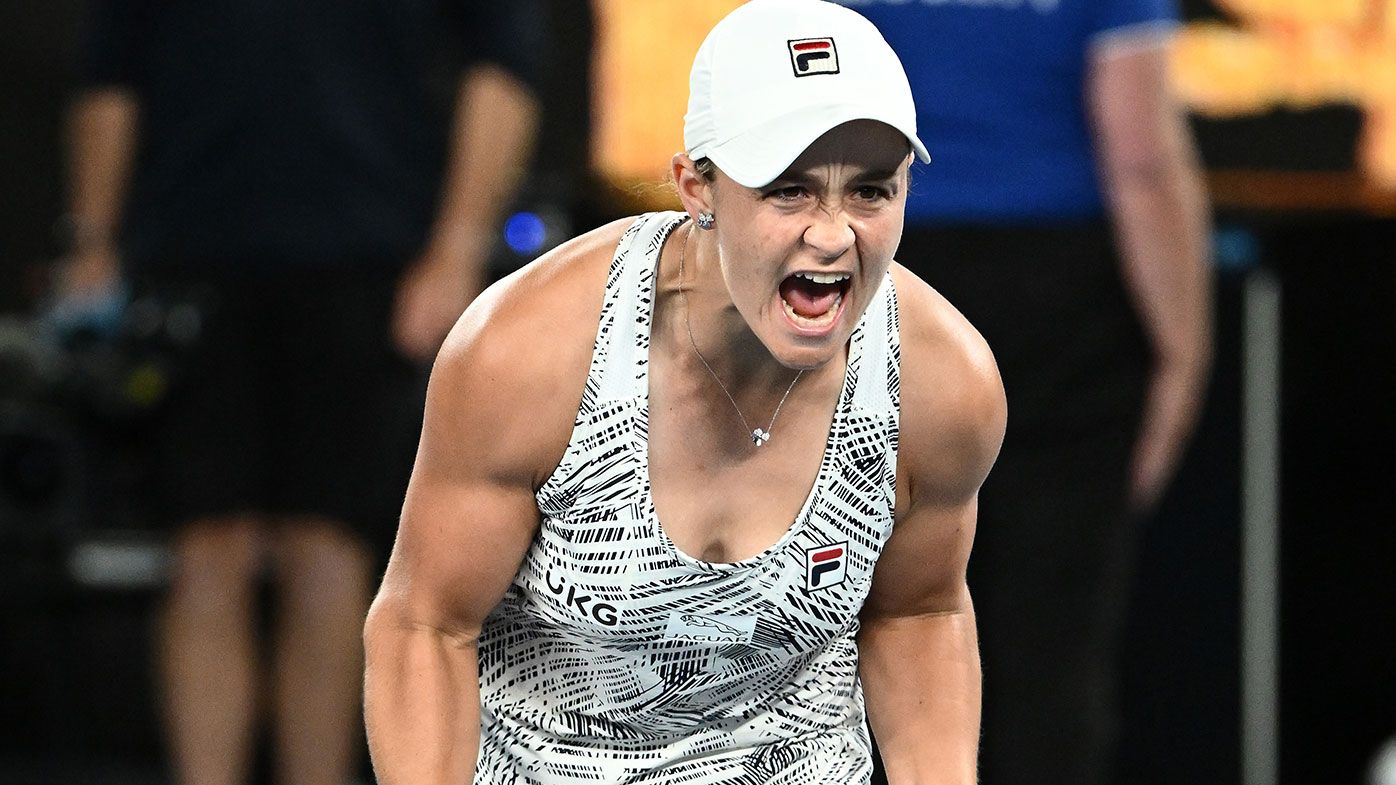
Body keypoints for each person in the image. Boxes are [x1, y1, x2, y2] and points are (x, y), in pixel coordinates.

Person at [363, 1, 1006, 783]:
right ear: (696, 188)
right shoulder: (529, 354)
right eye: (789, 191)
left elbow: (920, 612)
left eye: (870, 193)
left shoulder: (943, 384)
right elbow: (425, 624)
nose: (835, 234)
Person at [57, 2, 541, 784]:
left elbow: (506, 63)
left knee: (328, 546)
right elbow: (108, 71)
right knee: (207, 544)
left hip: (365, 255)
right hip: (190, 255)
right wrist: (93, 240)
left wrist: (455, 249)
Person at [841, 1, 1213, 784]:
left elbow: (807, 123)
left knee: (865, 622)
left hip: (889, 279)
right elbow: (1141, 158)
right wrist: (1181, 354)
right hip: (1062, 306)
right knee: (1053, 638)